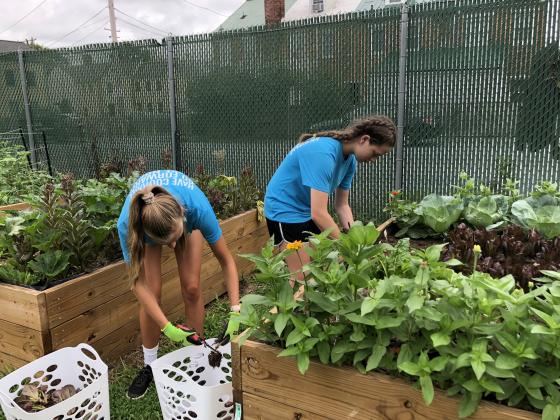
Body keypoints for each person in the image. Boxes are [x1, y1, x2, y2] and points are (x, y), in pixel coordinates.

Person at [117, 169, 240, 400]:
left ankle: (197, 358)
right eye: (167, 242)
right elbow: (137, 284)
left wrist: (235, 309)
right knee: (152, 293)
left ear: (183, 214)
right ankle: (149, 365)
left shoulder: (197, 209)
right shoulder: (129, 224)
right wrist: (168, 328)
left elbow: (227, 261)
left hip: (181, 217)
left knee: (191, 287)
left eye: (175, 238)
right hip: (153, 221)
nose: (173, 247)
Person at [264, 115, 396, 282]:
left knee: (315, 266)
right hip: (284, 209)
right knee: (301, 278)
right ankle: (290, 305)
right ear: (364, 139)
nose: (374, 160)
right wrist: (346, 246)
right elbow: (318, 213)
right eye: (375, 153)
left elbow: (342, 206)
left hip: (306, 207)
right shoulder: (324, 154)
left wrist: (355, 237)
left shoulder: (350, 161)